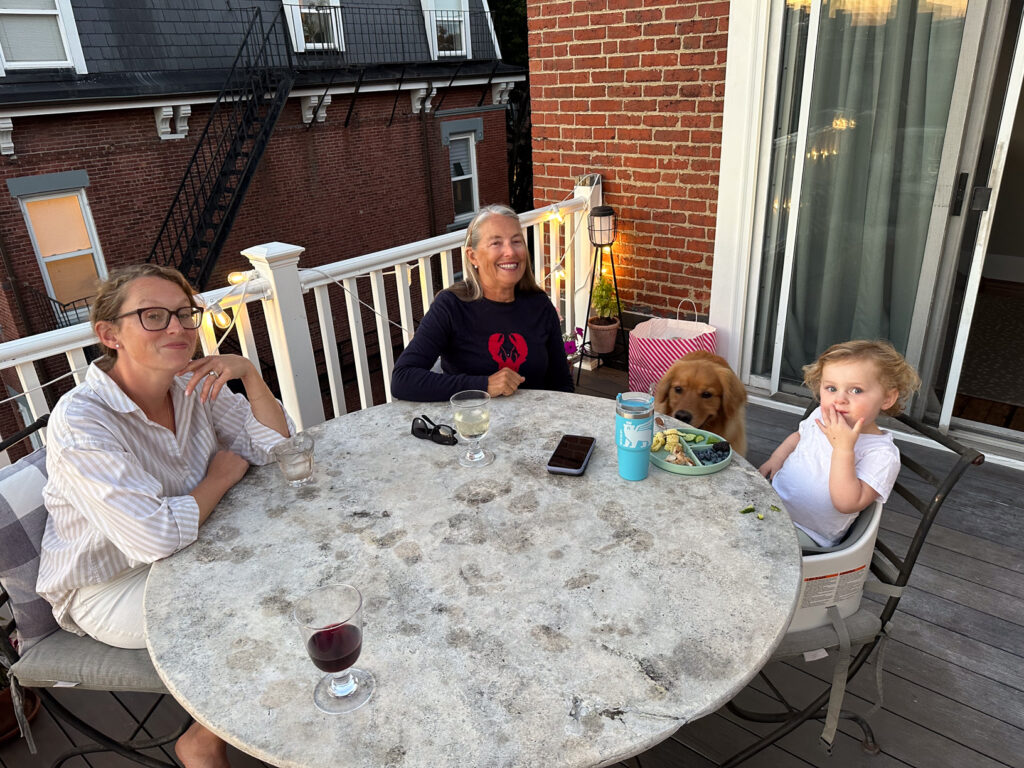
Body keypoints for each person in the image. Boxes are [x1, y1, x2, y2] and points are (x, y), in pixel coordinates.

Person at [36, 264, 292, 768]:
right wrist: (218, 477)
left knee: (297, 570)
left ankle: (244, 721)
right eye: (153, 316)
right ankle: (203, 741)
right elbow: (151, 537)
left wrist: (249, 374)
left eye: (184, 313)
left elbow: (276, 449)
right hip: (113, 584)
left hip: (193, 548)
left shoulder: (191, 384)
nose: (177, 327)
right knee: (268, 608)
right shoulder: (82, 419)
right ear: (110, 334)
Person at [390, 204, 574, 401]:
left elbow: (562, 385)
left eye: (516, 241)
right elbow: (403, 379)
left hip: (534, 418)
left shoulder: (540, 305)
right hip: (471, 419)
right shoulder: (451, 306)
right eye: (496, 243)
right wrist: (483, 385)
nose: (510, 252)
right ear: (473, 256)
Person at [758, 340, 921, 548]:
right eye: (831, 388)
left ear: (887, 398)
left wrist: (844, 449)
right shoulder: (821, 415)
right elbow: (799, 436)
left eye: (856, 390)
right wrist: (777, 458)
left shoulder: (881, 454)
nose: (840, 399)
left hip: (807, 535)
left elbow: (847, 504)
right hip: (770, 504)